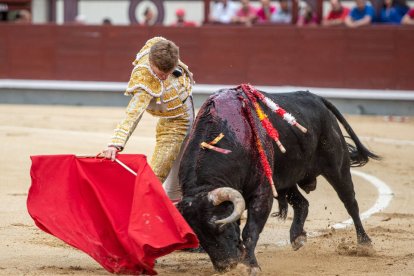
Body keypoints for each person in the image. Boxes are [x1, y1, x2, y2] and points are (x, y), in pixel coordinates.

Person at [102, 37, 195, 201]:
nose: (165, 77)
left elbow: (162, 45)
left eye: (169, 71)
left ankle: (175, 199)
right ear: (152, 64)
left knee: (185, 163)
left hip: (186, 110)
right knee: (157, 174)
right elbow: (133, 114)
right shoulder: (145, 78)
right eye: (161, 73)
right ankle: (142, 209)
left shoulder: (160, 45)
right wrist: (115, 143)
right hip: (173, 123)